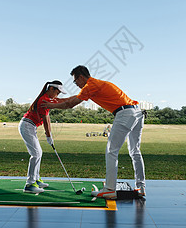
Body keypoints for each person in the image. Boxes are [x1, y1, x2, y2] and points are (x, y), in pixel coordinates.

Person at [42, 66, 146, 199]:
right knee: (135, 151)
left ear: (80, 77)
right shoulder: (95, 85)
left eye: (75, 81)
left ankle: (109, 189)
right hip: (137, 112)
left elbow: (71, 104)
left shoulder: (90, 86)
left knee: (111, 151)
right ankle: (141, 187)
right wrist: (56, 101)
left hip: (124, 113)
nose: (76, 84)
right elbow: (73, 98)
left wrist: (51, 106)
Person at [18, 80, 66, 194]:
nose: (57, 95)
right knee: (36, 153)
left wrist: (50, 135)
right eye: (57, 92)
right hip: (27, 125)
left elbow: (48, 117)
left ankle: (36, 180)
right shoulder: (44, 99)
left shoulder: (48, 99)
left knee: (38, 152)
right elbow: (45, 121)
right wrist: (48, 135)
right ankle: (29, 184)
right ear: (51, 89)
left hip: (31, 126)